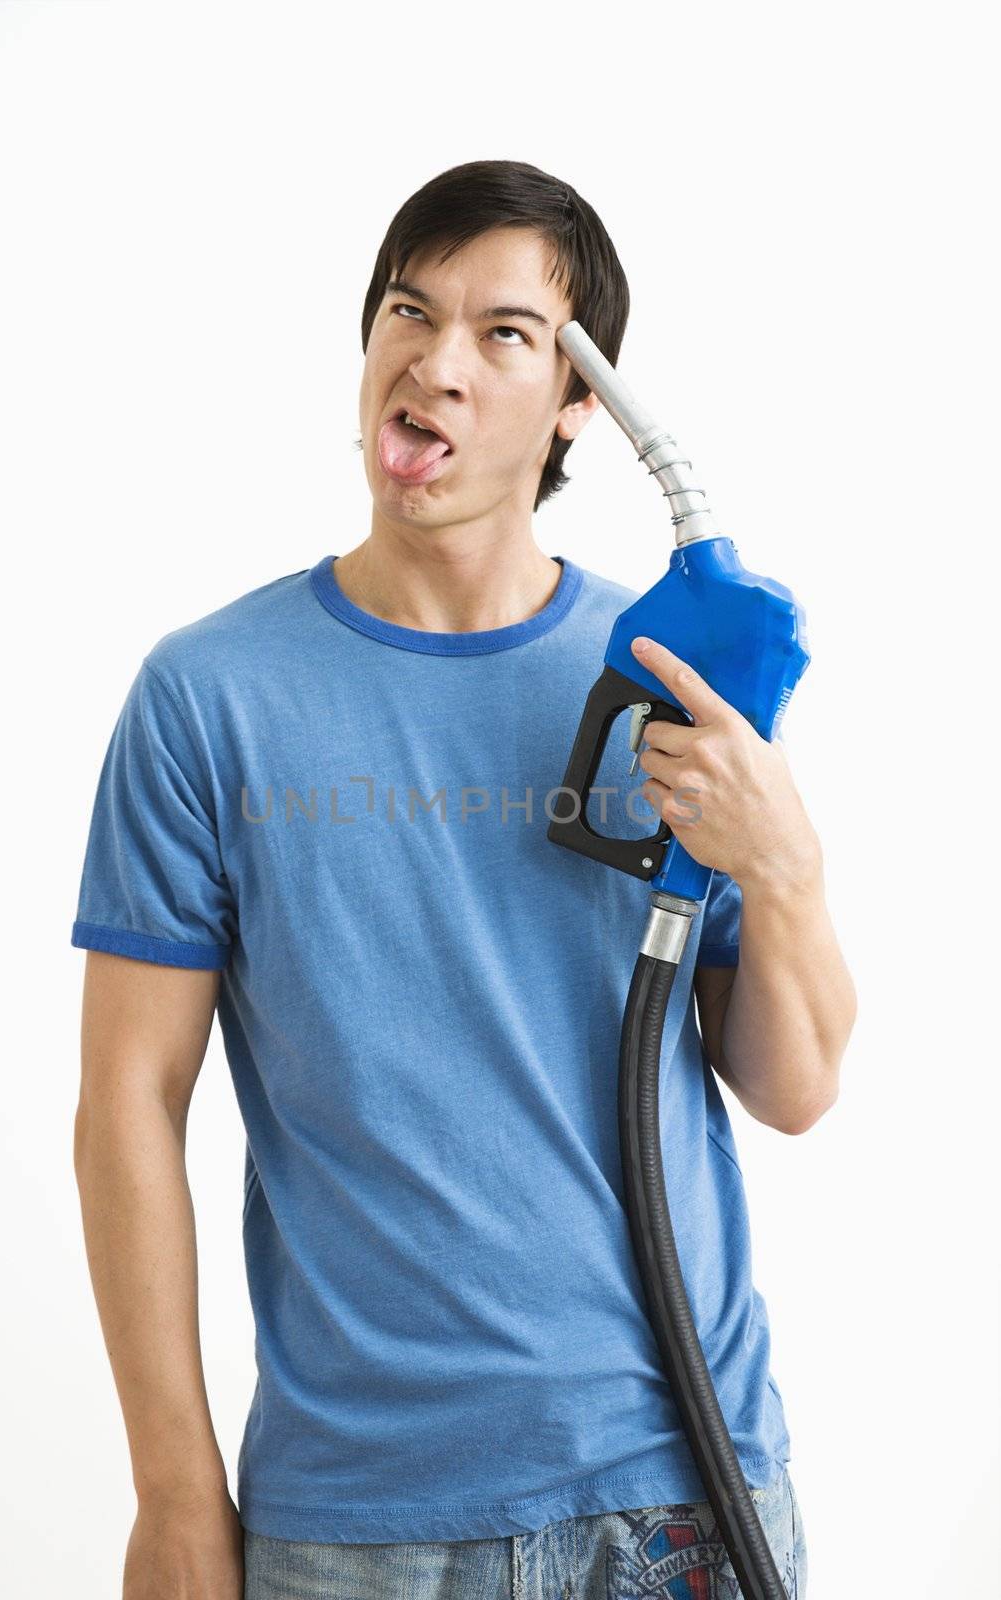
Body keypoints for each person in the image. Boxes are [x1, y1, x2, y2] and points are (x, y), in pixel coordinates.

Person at [71, 159, 856, 1600]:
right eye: (406, 313)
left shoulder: (671, 682)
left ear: (578, 406)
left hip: (680, 1489)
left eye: (503, 334)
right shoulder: (208, 697)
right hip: (367, 1522)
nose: (433, 364)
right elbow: (131, 1103)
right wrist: (176, 1495)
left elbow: (793, 1089)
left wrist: (787, 869)